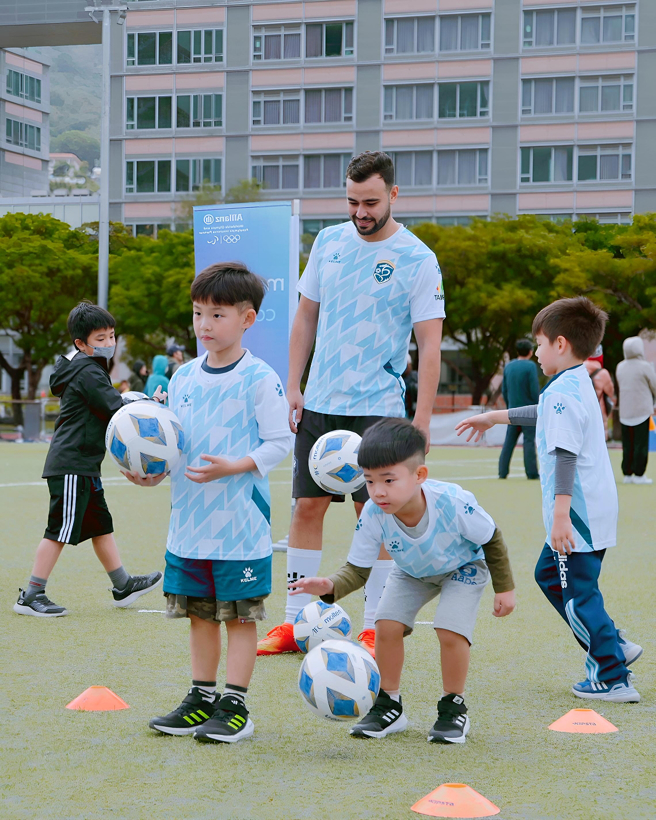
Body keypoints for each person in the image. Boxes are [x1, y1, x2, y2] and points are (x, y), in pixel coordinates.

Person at [257, 150, 445, 657]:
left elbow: (430, 345)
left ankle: (370, 625)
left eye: (371, 202)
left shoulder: (418, 259)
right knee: (306, 508)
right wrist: (292, 384)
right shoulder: (328, 242)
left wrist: (421, 420)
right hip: (319, 402)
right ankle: (295, 625)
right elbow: (305, 317)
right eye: (352, 201)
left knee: (376, 515)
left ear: (394, 196)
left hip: (379, 408)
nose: (361, 212)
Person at [126, 263, 292, 743]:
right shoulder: (182, 378)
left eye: (217, 315)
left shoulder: (260, 378)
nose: (204, 325)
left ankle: (235, 706)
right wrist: (152, 474)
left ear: (247, 319)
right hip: (189, 525)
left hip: (240, 527)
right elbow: (172, 443)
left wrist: (234, 465)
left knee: (239, 617)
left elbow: (279, 442)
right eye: (199, 313)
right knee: (198, 615)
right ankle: (201, 699)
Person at [456, 297, 643, 702]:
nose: (536, 351)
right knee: (550, 574)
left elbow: (564, 454)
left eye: (539, 344)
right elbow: (545, 411)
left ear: (560, 344)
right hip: (593, 509)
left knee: (577, 594)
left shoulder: (562, 390)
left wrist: (561, 516)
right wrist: (494, 417)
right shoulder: (576, 381)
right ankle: (613, 643)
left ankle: (611, 676)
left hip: (576, 514)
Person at [289, 418, 515, 743]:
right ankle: (388, 705)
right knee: (386, 625)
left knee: (450, 629)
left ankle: (453, 707)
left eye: (389, 480)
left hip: (463, 568)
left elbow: (491, 536)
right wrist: (329, 586)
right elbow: (357, 570)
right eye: (368, 481)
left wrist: (504, 588)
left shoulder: (452, 502)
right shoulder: (372, 513)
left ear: (419, 475)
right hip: (412, 571)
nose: (378, 491)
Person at [13, 302, 162, 617]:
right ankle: (31, 594)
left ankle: (122, 585)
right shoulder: (88, 370)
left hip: (83, 465)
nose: (109, 344)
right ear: (81, 343)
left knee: (100, 526)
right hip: (71, 465)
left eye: (111, 336)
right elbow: (114, 406)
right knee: (60, 529)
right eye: (101, 338)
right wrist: (151, 403)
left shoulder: (84, 366)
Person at [616, 336, 656, 485]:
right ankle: (639, 474)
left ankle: (627, 473)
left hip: (625, 411)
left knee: (627, 444)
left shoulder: (620, 366)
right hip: (642, 411)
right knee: (641, 443)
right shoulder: (645, 366)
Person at [498, 339, 540, 480]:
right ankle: (531, 472)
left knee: (509, 441)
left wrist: (510, 404)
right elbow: (534, 389)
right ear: (530, 352)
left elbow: (504, 389)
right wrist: (538, 404)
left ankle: (502, 471)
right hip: (528, 410)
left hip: (512, 410)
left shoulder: (508, 366)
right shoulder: (530, 366)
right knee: (528, 441)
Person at [584, 345, 615, 441]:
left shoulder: (578, 369)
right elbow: (611, 395)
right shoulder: (603, 373)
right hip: (598, 414)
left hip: (581, 412)